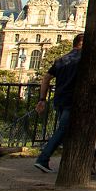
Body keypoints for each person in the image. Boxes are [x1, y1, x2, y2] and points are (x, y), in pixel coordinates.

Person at [33, 35, 85, 174]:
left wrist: (42, 99)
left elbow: (46, 78)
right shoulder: (83, 60)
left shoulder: (61, 60)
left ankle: (65, 161)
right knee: (63, 130)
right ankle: (43, 158)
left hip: (59, 99)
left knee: (66, 130)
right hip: (73, 100)